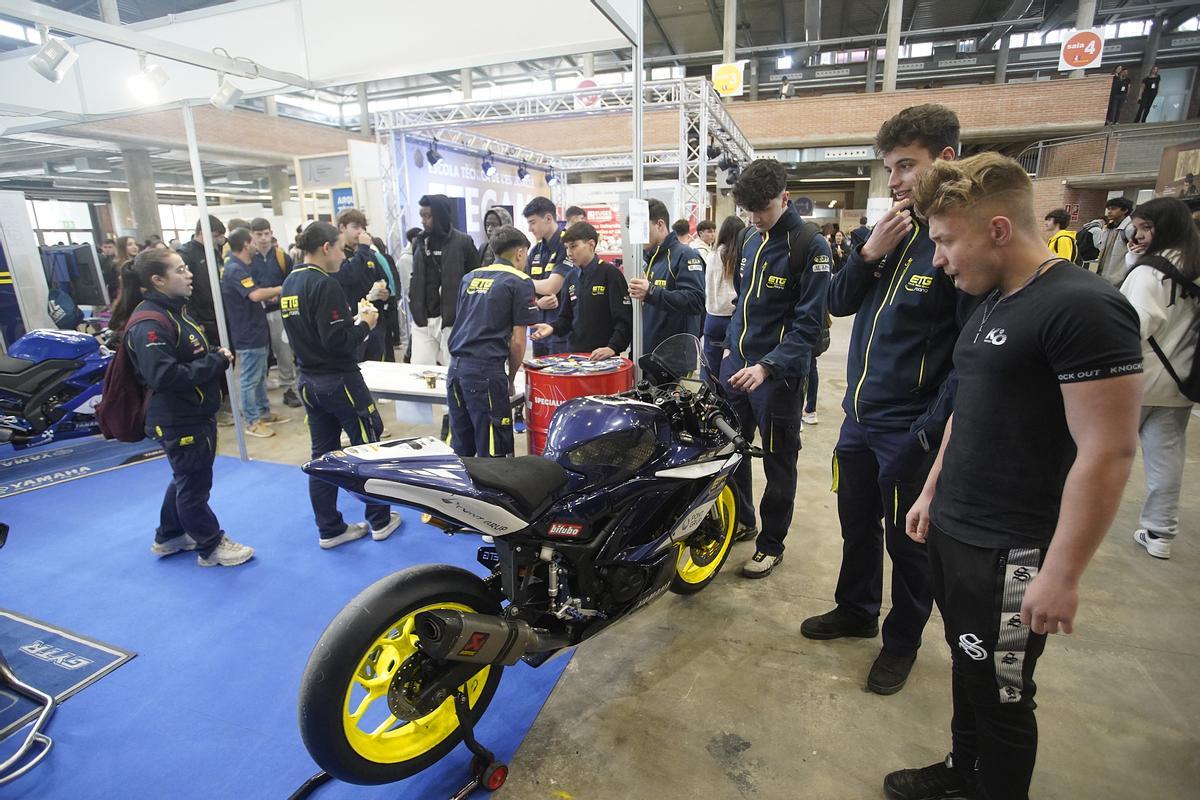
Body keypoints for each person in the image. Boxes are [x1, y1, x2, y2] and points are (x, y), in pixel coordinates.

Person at [887, 152, 1143, 800]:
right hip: (956, 531)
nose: (939, 259)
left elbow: (1108, 451)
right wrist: (931, 489)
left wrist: (1061, 573)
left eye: (946, 241)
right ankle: (960, 772)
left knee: (1003, 696)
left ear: (997, 229)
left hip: (1015, 551)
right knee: (968, 667)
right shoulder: (990, 304)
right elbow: (967, 410)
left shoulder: (1084, 307)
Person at [807, 103, 975, 696]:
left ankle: (901, 641)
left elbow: (968, 357)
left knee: (907, 543)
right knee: (855, 524)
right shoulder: (894, 232)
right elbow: (838, 301)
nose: (896, 180)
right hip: (859, 418)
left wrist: (929, 429)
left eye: (907, 165)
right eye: (891, 168)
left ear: (946, 160)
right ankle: (855, 610)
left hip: (910, 429)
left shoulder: (957, 243)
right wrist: (868, 252)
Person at [720, 159, 831, 579]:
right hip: (737, 368)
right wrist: (731, 349)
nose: (755, 218)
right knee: (732, 452)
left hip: (779, 379)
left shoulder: (810, 246)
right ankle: (744, 520)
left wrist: (767, 367)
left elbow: (807, 325)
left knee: (778, 460)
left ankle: (772, 543)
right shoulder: (749, 238)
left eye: (762, 209)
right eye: (748, 211)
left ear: (784, 196)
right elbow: (742, 303)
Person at [114, 249, 254, 567]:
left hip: (191, 413)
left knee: (186, 476)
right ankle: (211, 545)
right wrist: (215, 361)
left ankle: (170, 534)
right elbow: (163, 375)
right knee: (194, 483)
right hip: (178, 418)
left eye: (186, 268)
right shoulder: (150, 323)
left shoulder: (174, 312)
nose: (188, 274)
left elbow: (182, 359)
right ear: (157, 280)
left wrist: (211, 356)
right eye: (179, 270)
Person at [281, 222, 402, 549]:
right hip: (339, 380)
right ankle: (379, 519)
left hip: (309, 379)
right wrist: (364, 324)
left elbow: (318, 332)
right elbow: (338, 342)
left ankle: (329, 528)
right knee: (368, 449)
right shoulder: (324, 283)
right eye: (339, 247)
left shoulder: (290, 282)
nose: (342, 254)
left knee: (322, 454)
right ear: (325, 248)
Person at [1118, 197, 1199, 560]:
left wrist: (1135, 267)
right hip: (1181, 381)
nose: (1139, 234)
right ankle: (1160, 533)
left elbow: (1130, 329)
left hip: (1136, 379)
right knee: (1166, 458)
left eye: (1146, 227)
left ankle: (1072, 521)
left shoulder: (1149, 274)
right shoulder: (1193, 265)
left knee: (1101, 455)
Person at [446, 225, 538, 457]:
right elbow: (518, 342)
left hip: (455, 371)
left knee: (461, 449)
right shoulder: (520, 281)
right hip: (486, 373)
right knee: (495, 452)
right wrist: (510, 378)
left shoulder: (470, 277)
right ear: (519, 253)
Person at [221, 226, 288, 438]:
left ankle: (263, 412)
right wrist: (281, 288)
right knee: (249, 378)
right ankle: (252, 420)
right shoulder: (235, 269)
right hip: (247, 333)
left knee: (259, 376)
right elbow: (255, 295)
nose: (257, 244)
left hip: (256, 330)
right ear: (245, 244)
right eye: (253, 240)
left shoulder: (243, 266)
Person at [531, 222, 632, 358]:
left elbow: (624, 319)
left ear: (591, 244)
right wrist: (552, 327)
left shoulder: (610, 273)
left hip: (604, 356)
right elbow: (565, 319)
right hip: (576, 355)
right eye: (566, 248)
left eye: (574, 246)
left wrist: (612, 347)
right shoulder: (570, 277)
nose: (569, 253)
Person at [411, 194, 480, 365]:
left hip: (453, 321)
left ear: (440, 215)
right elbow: (415, 276)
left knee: (453, 370)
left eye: (427, 216)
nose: (423, 221)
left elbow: (477, 279)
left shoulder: (463, 242)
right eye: (421, 216)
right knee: (420, 371)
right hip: (423, 320)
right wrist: (414, 303)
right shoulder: (420, 242)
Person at [628, 199, 706, 351]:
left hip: (674, 356)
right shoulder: (648, 260)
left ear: (660, 225)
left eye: (642, 228)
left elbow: (696, 301)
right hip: (647, 351)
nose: (639, 236)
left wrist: (651, 292)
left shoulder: (685, 255)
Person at [248, 218, 301, 408]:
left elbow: (291, 282)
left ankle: (288, 389)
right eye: (258, 234)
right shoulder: (248, 258)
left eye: (266, 233)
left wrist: (279, 296)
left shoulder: (281, 256)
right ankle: (260, 396)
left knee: (285, 352)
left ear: (271, 233)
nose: (263, 238)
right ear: (251, 236)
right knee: (261, 355)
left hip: (279, 311)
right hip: (256, 314)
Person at [334, 209, 389, 362]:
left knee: (377, 365)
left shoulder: (369, 255)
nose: (361, 232)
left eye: (363, 228)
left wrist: (385, 292)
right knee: (357, 365)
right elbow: (348, 276)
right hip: (352, 321)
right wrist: (364, 249)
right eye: (356, 227)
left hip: (375, 320)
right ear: (342, 228)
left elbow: (383, 278)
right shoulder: (338, 254)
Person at [522, 197, 573, 357]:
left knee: (560, 379)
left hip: (560, 331)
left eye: (533, 222)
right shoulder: (535, 250)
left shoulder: (567, 246)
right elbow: (521, 289)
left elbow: (552, 286)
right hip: (537, 329)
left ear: (548, 218)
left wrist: (526, 283)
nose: (530, 228)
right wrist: (537, 303)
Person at [703, 215, 746, 381]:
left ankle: (708, 402)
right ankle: (727, 404)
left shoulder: (712, 255)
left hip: (712, 317)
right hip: (733, 318)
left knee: (709, 366)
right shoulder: (740, 257)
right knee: (732, 368)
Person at [177, 216, 227, 347]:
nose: (218, 241)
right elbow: (183, 292)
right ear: (202, 232)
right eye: (215, 236)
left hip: (220, 315)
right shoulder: (185, 255)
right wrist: (195, 320)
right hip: (203, 319)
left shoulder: (213, 252)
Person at [370, 236, 403, 362]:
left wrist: (391, 292)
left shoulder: (375, 257)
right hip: (387, 299)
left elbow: (389, 279)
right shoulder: (381, 257)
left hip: (383, 303)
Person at [1098, 197, 1135, 285]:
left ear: (1125, 210)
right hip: (1104, 276)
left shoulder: (1131, 228)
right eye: (1108, 209)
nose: (1109, 212)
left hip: (1119, 279)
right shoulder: (1109, 228)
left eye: (1113, 208)